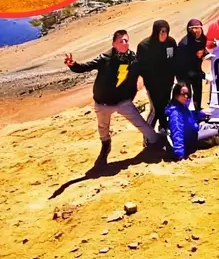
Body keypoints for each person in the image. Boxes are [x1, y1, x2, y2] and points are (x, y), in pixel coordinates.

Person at [64, 30, 161, 168]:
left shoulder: (132, 58)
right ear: (114, 44)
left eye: (126, 40)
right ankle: (105, 147)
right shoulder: (105, 58)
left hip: (123, 102)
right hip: (103, 103)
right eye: (121, 41)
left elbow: (144, 71)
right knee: (103, 128)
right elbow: (85, 67)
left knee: (143, 125)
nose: (125, 43)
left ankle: (156, 142)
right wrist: (73, 65)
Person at [164, 83, 219, 160]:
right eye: (183, 94)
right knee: (218, 129)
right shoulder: (175, 113)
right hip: (191, 139)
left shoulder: (181, 106)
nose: (186, 96)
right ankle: (214, 140)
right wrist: (180, 155)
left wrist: (200, 114)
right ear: (176, 95)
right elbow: (177, 133)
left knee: (205, 124)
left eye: (187, 94)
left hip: (194, 131)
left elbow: (189, 116)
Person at [134, 20, 178, 132]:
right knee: (156, 110)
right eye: (161, 31)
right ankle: (148, 135)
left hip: (168, 83)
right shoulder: (144, 46)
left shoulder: (171, 42)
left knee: (165, 107)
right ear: (155, 32)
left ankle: (163, 128)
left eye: (166, 31)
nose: (164, 34)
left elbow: (176, 61)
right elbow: (139, 66)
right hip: (153, 85)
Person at [174, 19, 207, 112]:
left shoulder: (203, 39)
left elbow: (202, 51)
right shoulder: (184, 44)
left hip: (196, 70)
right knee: (187, 95)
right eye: (193, 29)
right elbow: (181, 62)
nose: (196, 31)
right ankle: (185, 114)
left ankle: (197, 112)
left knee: (198, 93)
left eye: (198, 28)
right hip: (184, 73)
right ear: (189, 31)